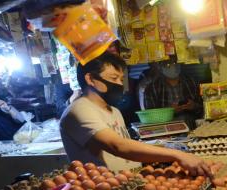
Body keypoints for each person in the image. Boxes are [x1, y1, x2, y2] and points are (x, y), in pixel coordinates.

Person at [60, 51, 210, 175]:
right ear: (91, 79)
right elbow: (118, 146)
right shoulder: (80, 110)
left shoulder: (114, 111)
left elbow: (127, 147)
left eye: (121, 79)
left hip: (128, 183)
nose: (119, 84)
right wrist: (177, 154)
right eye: (113, 78)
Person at [144, 58, 202, 129]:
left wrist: (193, 106)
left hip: (191, 125)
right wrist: (169, 111)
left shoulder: (191, 82)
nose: (172, 67)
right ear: (161, 67)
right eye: (168, 65)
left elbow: (203, 108)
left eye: (175, 63)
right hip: (165, 128)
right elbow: (150, 116)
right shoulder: (152, 88)